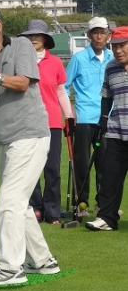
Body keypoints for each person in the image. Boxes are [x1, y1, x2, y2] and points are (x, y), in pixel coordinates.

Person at [0, 3, 60, 286]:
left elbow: (24, 83)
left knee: (9, 201)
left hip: (29, 134)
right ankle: (43, 261)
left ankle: (10, 269)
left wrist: (0, 76)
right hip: (4, 140)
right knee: (19, 204)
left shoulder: (20, 45)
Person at [18, 19, 74, 225]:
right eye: (30, 35)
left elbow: (61, 91)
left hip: (52, 121)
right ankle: (35, 208)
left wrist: (69, 116)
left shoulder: (56, 62)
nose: (33, 38)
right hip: (28, 121)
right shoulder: (21, 60)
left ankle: (52, 210)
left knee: (52, 168)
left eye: (37, 35)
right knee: (31, 168)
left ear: (45, 39)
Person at [65, 16, 113, 215]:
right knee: (82, 164)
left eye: (103, 32)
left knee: (105, 165)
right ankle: (81, 203)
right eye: (96, 32)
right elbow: (64, 86)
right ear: (89, 35)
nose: (99, 36)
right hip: (84, 118)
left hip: (108, 119)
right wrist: (71, 111)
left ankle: (103, 204)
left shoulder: (114, 58)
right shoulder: (79, 58)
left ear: (108, 35)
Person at [85, 27, 128, 231]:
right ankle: (107, 218)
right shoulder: (111, 67)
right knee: (110, 177)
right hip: (117, 131)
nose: (118, 50)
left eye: (122, 46)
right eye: (115, 46)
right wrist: (103, 117)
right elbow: (107, 96)